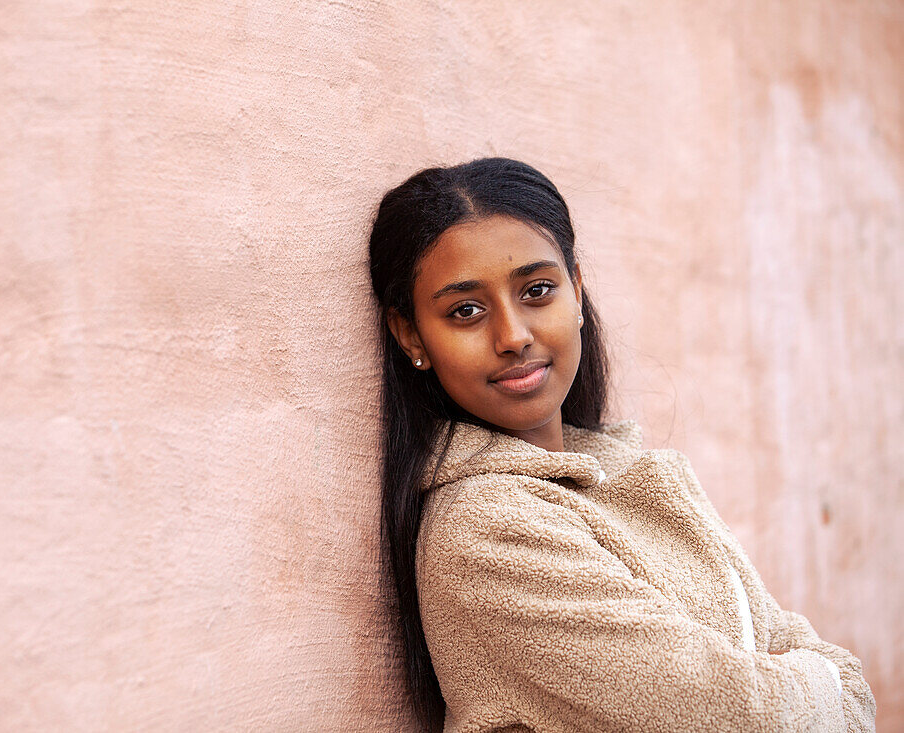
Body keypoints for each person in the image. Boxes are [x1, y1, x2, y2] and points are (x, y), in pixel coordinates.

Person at [367, 157, 877, 732]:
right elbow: (744, 716)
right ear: (411, 333)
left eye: (537, 290)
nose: (513, 337)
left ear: (577, 291)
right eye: (466, 311)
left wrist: (822, 689)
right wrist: (824, 688)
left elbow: (834, 683)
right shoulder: (484, 527)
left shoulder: (628, 473)